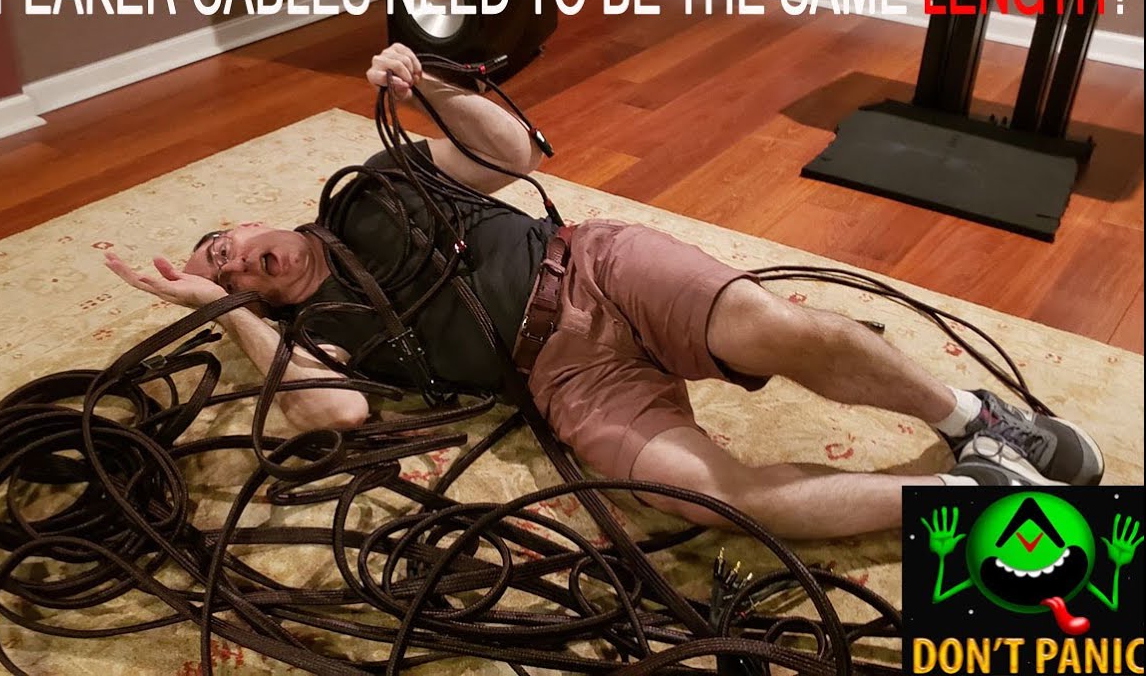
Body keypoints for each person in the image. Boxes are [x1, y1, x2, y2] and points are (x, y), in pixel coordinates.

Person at [105, 43, 1103, 540]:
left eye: (228, 246)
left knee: (771, 327)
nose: (239, 262)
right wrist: (223, 312)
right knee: (704, 497)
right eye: (228, 275)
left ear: (255, 220)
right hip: (563, 381)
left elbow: (513, 152)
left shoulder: (375, 186)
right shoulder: (310, 332)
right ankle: (967, 500)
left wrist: (431, 85)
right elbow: (336, 414)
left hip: (591, 266)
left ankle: (970, 417)